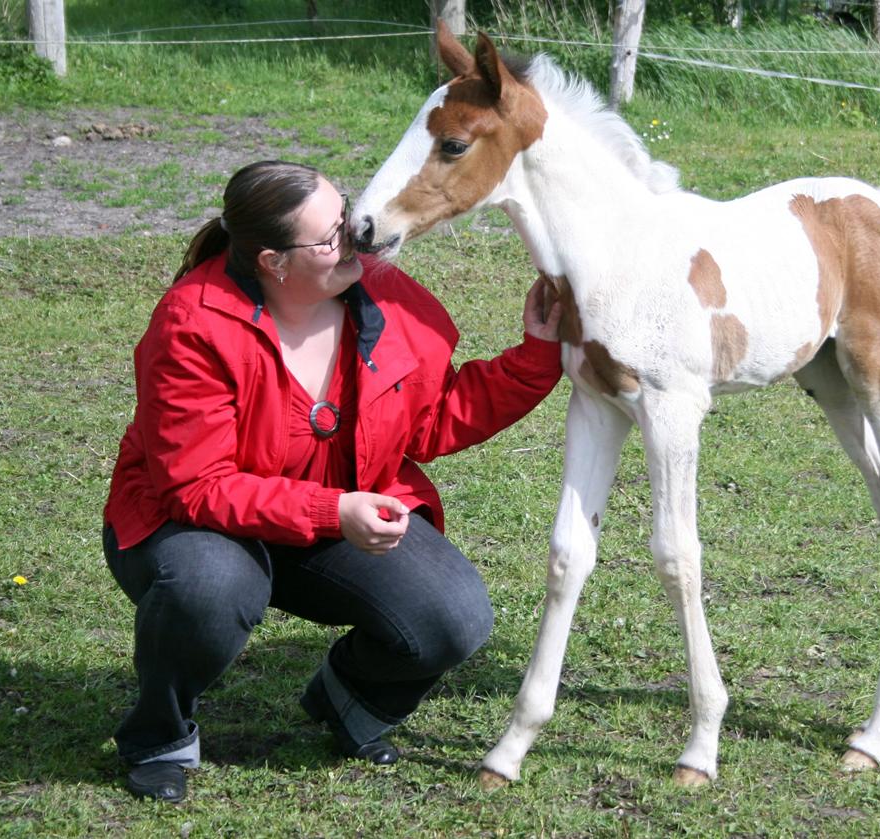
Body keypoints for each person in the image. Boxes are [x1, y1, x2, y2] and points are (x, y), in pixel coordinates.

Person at [102, 160, 563, 803]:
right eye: (329, 237)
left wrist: (536, 354)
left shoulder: (385, 294)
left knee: (453, 616)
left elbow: (430, 422)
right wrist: (332, 511)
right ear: (273, 261)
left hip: (331, 514)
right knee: (210, 585)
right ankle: (160, 734)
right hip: (198, 524)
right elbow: (195, 487)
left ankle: (348, 697)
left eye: (346, 213)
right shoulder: (194, 324)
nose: (356, 237)